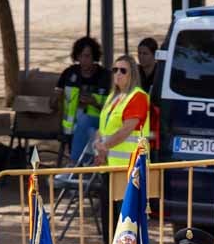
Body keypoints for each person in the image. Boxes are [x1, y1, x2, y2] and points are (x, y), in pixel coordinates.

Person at [54, 37, 109, 166]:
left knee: (85, 122)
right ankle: (86, 169)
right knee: (89, 133)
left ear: (94, 56)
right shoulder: (69, 73)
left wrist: (94, 102)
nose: (83, 60)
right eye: (80, 56)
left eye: (87, 56)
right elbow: (57, 94)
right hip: (71, 127)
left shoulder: (105, 76)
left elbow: (113, 108)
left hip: (99, 122)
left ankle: (74, 164)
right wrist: (55, 100)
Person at [94, 54, 149, 169]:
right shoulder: (112, 97)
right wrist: (97, 145)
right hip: (108, 164)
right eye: (115, 70)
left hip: (130, 167)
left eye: (123, 71)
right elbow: (103, 128)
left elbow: (125, 130)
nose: (118, 73)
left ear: (132, 75)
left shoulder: (138, 97)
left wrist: (104, 147)